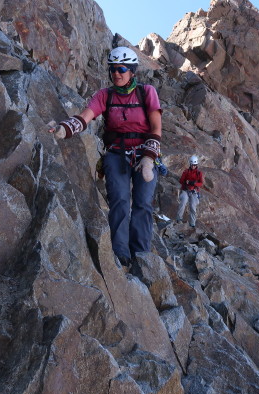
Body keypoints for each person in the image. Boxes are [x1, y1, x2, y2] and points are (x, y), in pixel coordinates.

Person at [49, 46, 162, 269]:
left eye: (121, 69)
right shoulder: (105, 95)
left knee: (143, 204)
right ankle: (120, 253)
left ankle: (140, 255)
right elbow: (84, 118)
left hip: (145, 153)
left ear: (132, 70)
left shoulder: (146, 92)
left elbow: (157, 128)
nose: (116, 73)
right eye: (112, 69)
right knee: (119, 200)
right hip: (117, 154)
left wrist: (149, 158)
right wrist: (64, 128)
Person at [176, 155, 204, 228]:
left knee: (193, 206)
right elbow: (181, 180)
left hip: (194, 191)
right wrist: (186, 182)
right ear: (190, 164)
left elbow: (201, 183)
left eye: (194, 165)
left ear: (196, 165)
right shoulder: (186, 171)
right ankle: (179, 219)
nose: (193, 166)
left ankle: (192, 224)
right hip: (186, 189)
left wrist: (194, 183)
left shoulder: (199, 173)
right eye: (192, 165)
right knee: (183, 202)